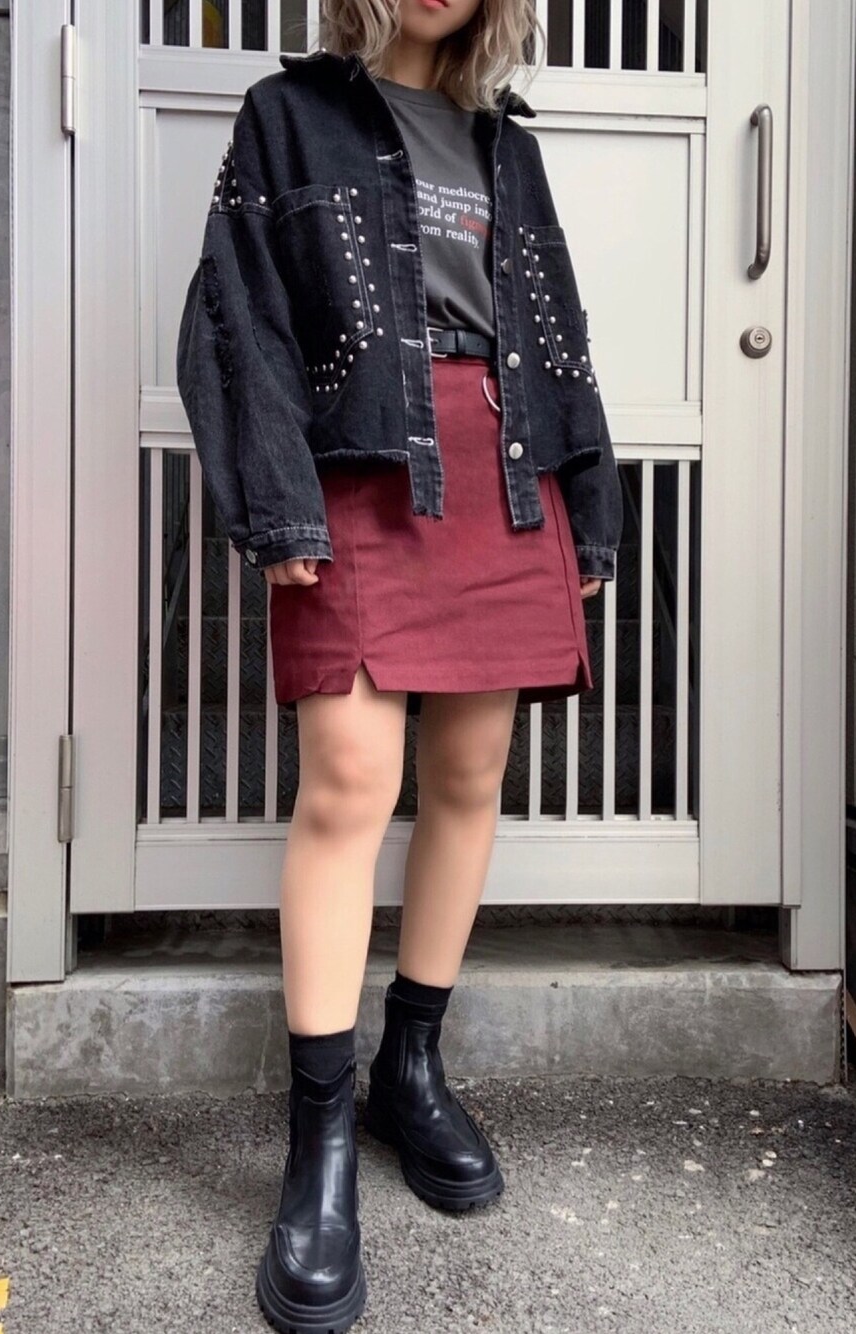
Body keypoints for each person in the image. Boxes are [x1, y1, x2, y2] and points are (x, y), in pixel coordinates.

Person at [176, 0, 622, 1327]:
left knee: (471, 777)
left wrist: (591, 506)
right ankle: (318, 1145)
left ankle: (409, 1072)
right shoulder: (286, 116)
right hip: (359, 469)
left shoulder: (509, 145)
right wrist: (278, 505)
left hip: (504, 472)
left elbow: (558, 330)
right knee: (346, 787)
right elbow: (239, 318)